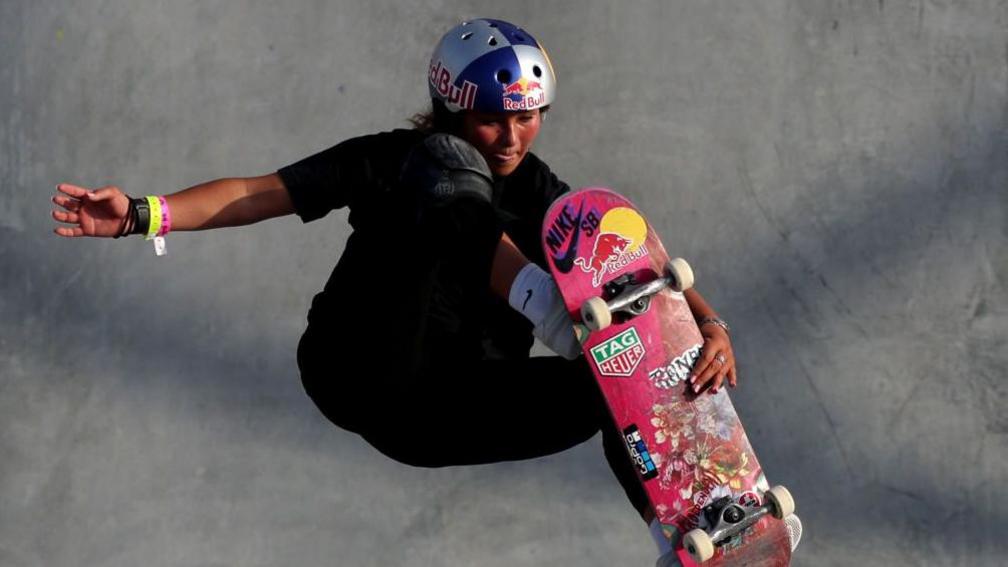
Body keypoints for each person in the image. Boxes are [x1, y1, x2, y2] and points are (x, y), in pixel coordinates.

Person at [51, 18, 747, 565]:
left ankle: (689, 532)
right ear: (451, 108)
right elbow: (257, 193)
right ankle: (538, 301)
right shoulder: (394, 157)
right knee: (443, 172)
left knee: (625, 368)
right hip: (362, 366)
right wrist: (142, 215)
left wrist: (703, 327)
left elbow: (628, 262)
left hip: (448, 410)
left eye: (529, 116)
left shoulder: (539, 191)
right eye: (493, 119)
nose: (512, 137)